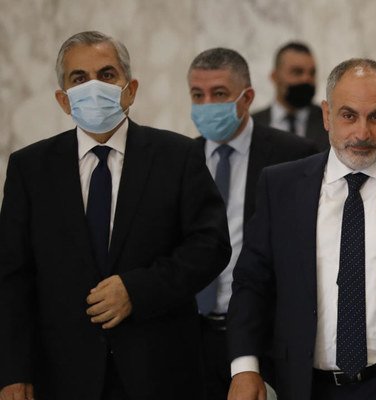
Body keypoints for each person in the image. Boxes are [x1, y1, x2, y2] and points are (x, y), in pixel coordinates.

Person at [0, 31, 231, 400]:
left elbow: (211, 245)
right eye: (79, 78)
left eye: (107, 74)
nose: (94, 86)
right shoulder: (30, 169)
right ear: (63, 99)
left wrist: (137, 290)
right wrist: (12, 371)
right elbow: (12, 277)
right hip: (62, 375)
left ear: (130, 89)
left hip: (160, 372)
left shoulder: (177, 156)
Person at [227, 58, 376, 400]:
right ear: (326, 115)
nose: (362, 133)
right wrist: (244, 367)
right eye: (348, 115)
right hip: (305, 385)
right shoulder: (281, 185)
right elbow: (252, 282)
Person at [187, 47, 318, 399]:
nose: (207, 104)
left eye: (219, 94)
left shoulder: (294, 155)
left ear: (246, 98)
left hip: (266, 335)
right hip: (194, 336)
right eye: (197, 96)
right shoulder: (181, 159)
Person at [252, 41, 330, 151]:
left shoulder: (328, 123)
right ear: (275, 77)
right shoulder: (253, 124)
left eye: (312, 73)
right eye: (297, 72)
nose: (306, 79)